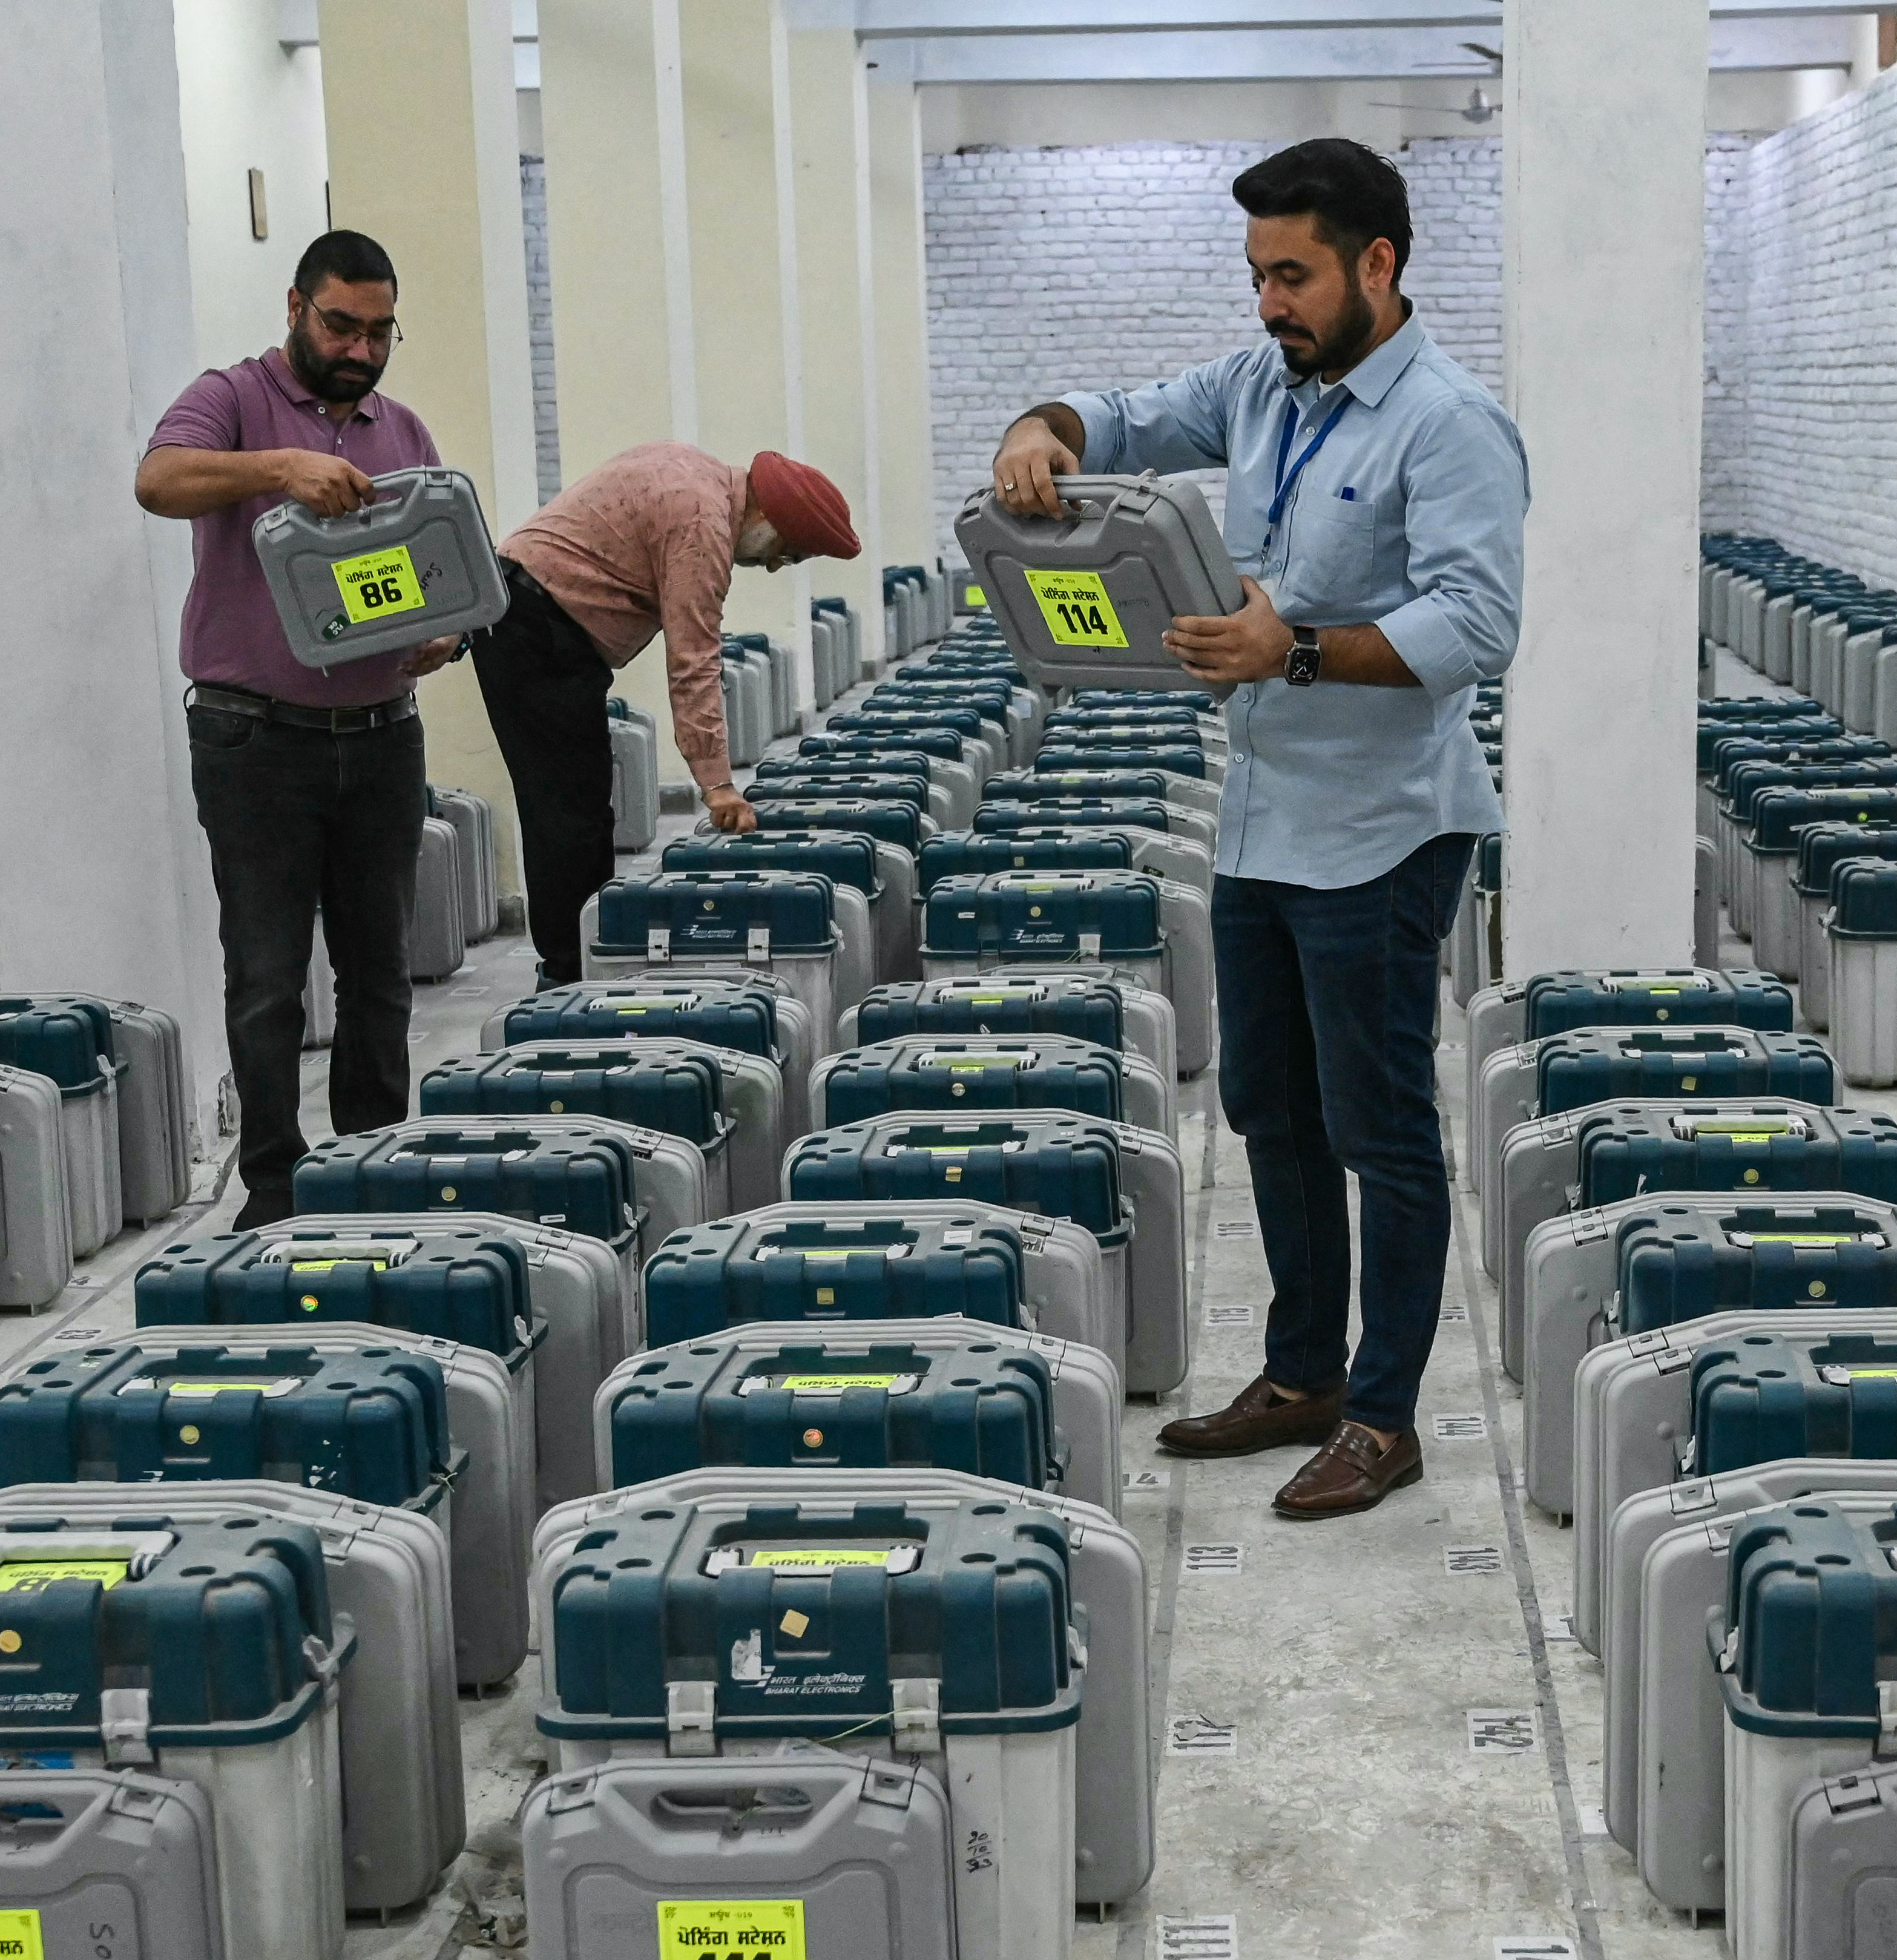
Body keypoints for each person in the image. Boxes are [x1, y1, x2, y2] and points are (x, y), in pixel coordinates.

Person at [992, 139, 1524, 1520]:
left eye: (1292, 275)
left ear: (1377, 265)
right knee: (1268, 1110)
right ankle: (1304, 1375)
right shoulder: (1262, 390)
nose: (1270, 302)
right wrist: (1042, 430)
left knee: (1380, 1126)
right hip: (1261, 826)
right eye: (1258, 276)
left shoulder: (1449, 424)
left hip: (1385, 833)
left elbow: (1476, 626)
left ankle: (1389, 1410)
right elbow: (1123, 417)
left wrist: (1292, 649)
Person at [136, 229, 460, 1229]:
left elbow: (434, 572)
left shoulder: (401, 431)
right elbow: (159, 481)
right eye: (342, 326)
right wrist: (276, 468)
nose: (361, 350)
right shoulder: (231, 401)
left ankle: (367, 1165)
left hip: (380, 733)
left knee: (379, 973)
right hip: (255, 739)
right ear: (295, 308)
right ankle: (274, 1185)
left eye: (380, 332)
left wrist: (436, 640)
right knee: (269, 974)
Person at [476, 445, 863, 985]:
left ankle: (585, 960)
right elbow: (693, 660)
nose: (774, 565)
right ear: (766, 517)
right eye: (787, 551)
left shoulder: (696, 473)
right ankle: (569, 977)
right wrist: (719, 786)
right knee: (568, 817)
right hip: (537, 632)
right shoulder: (703, 523)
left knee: (578, 812)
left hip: (531, 621)